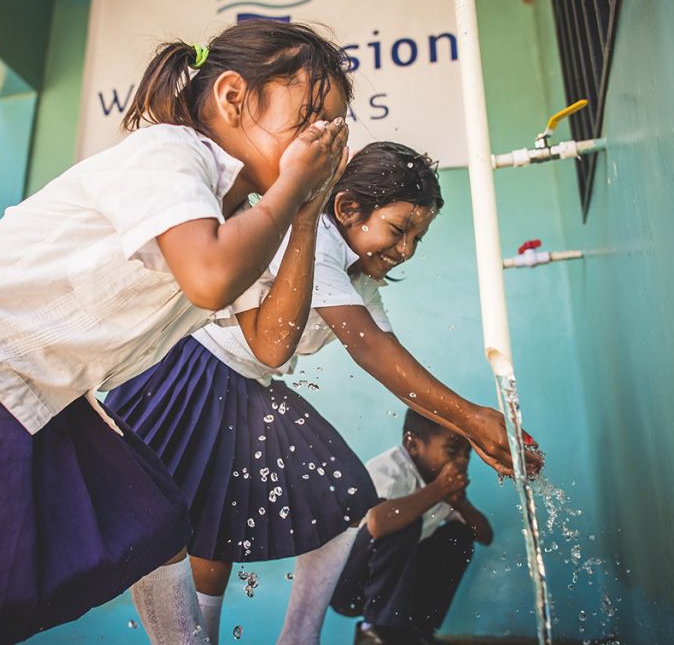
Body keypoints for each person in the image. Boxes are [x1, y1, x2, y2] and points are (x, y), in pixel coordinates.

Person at [0, 20, 352, 645]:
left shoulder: (241, 215)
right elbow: (209, 276)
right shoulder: (171, 154)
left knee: (153, 521)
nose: (322, 138)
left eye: (331, 126)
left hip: (42, 389)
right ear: (231, 98)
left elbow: (271, 345)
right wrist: (291, 188)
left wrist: (304, 215)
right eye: (310, 116)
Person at [106, 142, 541, 644]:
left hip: (245, 386)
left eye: (417, 238)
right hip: (192, 373)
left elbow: (394, 365)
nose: (406, 250)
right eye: (399, 230)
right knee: (189, 537)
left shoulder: (360, 280)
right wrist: (471, 417)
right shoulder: (314, 243)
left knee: (283, 520)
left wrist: (472, 426)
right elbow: (370, 348)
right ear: (347, 208)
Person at [331, 409, 495, 645]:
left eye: (467, 453)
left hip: (395, 587)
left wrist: (461, 502)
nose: (461, 460)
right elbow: (378, 523)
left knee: (458, 535)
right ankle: (375, 632)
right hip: (349, 586)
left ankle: (418, 630)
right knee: (404, 520)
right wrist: (438, 490)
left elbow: (485, 536)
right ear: (413, 444)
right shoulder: (390, 468)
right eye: (452, 450)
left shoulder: (442, 485)